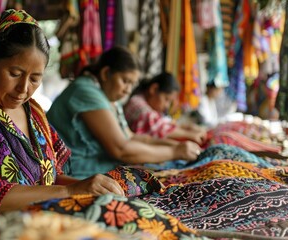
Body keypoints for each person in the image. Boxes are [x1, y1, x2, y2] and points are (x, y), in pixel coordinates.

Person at [0, 9, 128, 236]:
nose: (24, 89)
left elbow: (48, 181)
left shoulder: (33, 113)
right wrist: (73, 191)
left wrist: (92, 187)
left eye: (35, 78)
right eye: (14, 73)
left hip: (30, 227)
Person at [47, 46, 202, 179]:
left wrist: (176, 146)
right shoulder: (85, 91)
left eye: (132, 84)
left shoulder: (108, 96)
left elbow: (131, 137)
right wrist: (174, 151)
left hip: (97, 171)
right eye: (125, 81)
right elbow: (121, 150)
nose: (128, 89)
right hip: (77, 175)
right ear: (106, 73)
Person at [123, 71, 207, 144]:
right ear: (154, 89)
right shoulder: (138, 104)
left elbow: (163, 123)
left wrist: (188, 128)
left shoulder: (147, 104)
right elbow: (157, 126)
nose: (167, 105)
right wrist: (190, 135)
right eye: (166, 99)